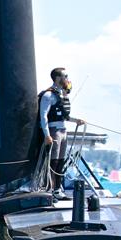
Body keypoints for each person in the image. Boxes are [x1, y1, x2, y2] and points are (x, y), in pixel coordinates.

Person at [39, 67, 85, 200]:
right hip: (54, 131)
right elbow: (44, 116)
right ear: (58, 78)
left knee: (60, 161)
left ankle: (58, 189)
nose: (67, 79)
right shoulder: (48, 95)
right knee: (52, 161)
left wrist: (76, 120)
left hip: (63, 131)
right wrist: (47, 134)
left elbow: (64, 116)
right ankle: (49, 189)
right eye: (65, 76)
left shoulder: (62, 94)